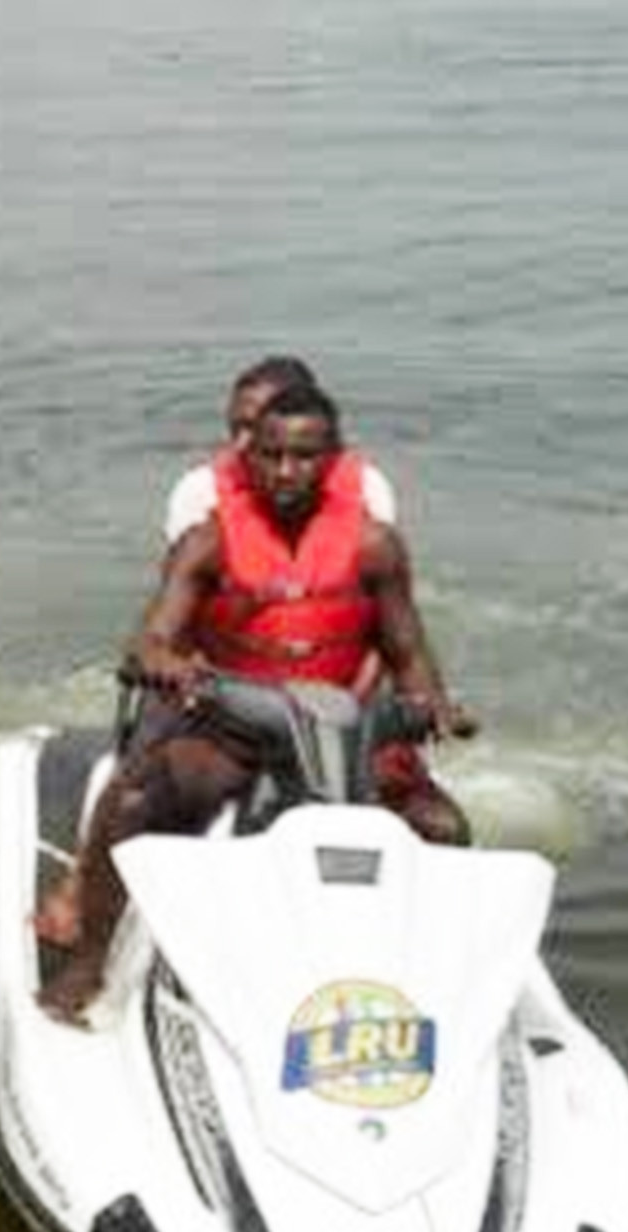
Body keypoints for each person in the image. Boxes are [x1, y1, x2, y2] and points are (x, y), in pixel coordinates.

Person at [38, 382, 476, 1026]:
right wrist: (162, 662)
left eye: (303, 456)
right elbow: (153, 635)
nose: (285, 471)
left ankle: (439, 983)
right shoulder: (208, 541)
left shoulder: (375, 544)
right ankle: (89, 963)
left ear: (334, 459)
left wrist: (432, 703)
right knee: (137, 801)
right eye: (270, 455)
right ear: (249, 457)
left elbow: (406, 646)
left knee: (443, 828)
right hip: (235, 725)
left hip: (340, 727)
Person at [162, 355, 398, 550]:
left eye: (253, 427)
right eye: (236, 427)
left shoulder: (366, 488)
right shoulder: (200, 492)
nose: (241, 444)